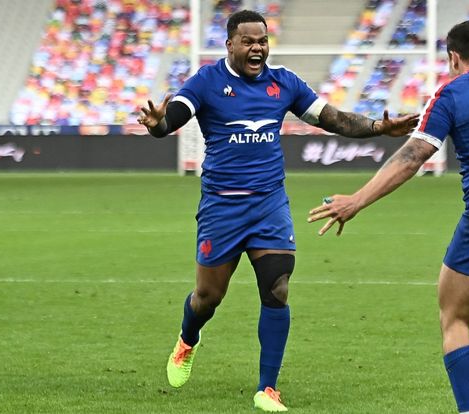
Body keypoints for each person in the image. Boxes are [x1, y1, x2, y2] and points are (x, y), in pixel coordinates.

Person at [138, 9, 419, 411]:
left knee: (277, 288)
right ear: (230, 44)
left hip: (269, 204)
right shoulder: (206, 82)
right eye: (249, 41)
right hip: (222, 206)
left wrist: (378, 127)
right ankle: (187, 339)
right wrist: (158, 125)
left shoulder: (283, 83)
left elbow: (333, 119)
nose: (257, 48)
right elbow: (172, 118)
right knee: (207, 296)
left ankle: (267, 388)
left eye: (262, 41)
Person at [308, 21, 469, 414]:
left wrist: (357, 201)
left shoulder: (451, 93)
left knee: (455, 318)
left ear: (453, 57)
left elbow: (413, 157)